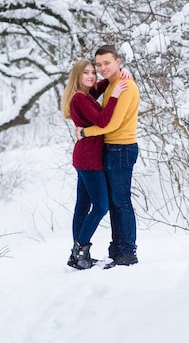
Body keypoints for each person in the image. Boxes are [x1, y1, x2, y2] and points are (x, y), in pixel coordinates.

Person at [61, 59, 129, 269]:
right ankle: (80, 250)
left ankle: (77, 255)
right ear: (77, 77)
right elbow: (102, 121)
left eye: (93, 72)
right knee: (100, 206)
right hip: (89, 159)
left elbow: (100, 86)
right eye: (86, 73)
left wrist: (116, 74)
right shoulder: (80, 99)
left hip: (85, 156)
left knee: (82, 206)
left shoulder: (85, 95)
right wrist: (115, 95)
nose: (92, 76)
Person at [76, 45, 140, 268]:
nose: (102, 68)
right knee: (114, 203)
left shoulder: (125, 86)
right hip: (111, 148)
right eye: (99, 64)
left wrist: (85, 132)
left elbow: (110, 123)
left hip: (122, 148)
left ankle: (128, 252)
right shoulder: (113, 84)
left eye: (107, 63)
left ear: (118, 61)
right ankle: (117, 250)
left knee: (121, 202)